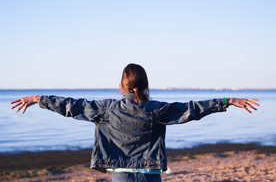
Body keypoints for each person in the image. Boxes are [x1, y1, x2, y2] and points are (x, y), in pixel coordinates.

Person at [11, 63, 259, 182]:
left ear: (122, 86)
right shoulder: (157, 109)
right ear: (146, 85)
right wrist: (228, 100)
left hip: (121, 175)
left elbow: (71, 105)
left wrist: (38, 99)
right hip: (150, 174)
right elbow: (192, 109)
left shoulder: (106, 108)